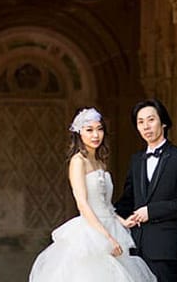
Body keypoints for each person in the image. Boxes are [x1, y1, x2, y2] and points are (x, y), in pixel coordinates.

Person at [28, 107, 156, 282]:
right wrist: (107, 237)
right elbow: (82, 203)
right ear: (79, 133)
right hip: (91, 231)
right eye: (89, 130)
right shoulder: (77, 161)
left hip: (111, 226)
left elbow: (106, 205)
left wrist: (123, 221)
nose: (96, 135)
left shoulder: (100, 162)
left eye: (99, 129)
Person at [115, 99, 177, 282]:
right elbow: (128, 200)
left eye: (151, 120)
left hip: (165, 249)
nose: (146, 126)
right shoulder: (136, 160)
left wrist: (151, 212)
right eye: (140, 122)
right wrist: (108, 213)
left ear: (164, 122)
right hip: (135, 247)